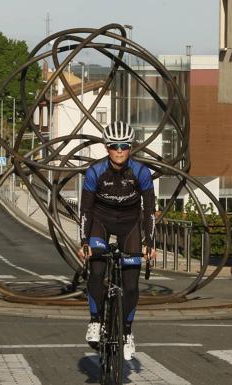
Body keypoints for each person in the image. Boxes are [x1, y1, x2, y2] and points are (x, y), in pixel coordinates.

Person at [78, 121, 157, 361]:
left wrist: (150, 243)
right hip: (101, 223)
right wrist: (84, 242)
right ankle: (95, 320)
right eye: (114, 146)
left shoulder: (141, 172)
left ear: (130, 147)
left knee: (131, 284)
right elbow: (86, 211)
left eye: (124, 145)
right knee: (97, 272)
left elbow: (150, 210)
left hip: (130, 226)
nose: (119, 150)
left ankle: (127, 332)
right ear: (107, 147)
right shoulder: (94, 172)